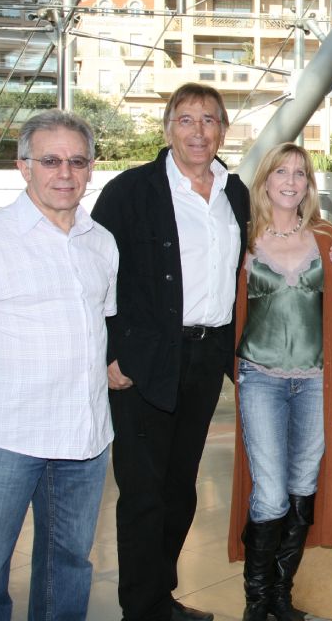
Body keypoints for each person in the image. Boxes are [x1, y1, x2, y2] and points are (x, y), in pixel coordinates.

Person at [0, 111, 118, 620]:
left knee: (68, 569)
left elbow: (98, 328)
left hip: (84, 440)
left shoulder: (100, 242)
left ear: (90, 168)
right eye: (50, 160)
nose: (65, 173)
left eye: (76, 161)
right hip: (5, 439)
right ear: (23, 166)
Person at [92, 83, 249, 621]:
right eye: (186, 120)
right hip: (145, 360)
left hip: (206, 359)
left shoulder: (236, 192)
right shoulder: (129, 191)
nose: (198, 132)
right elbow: (96, 276)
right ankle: (142, 609)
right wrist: (111, 353)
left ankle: (161, 599)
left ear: (223, 130)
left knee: (181, 489)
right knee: (143, 493)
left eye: (209, 120)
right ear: (167, 129)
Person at [225, 143, 332, 621]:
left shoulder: (326, 238)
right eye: (281, 171)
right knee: (270, 492)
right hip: (260, 379)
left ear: (308, 184)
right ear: (264, 180)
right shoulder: (241, 238)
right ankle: (256, 602)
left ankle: (280, 595)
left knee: (304, 483)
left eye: (300, 173)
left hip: (315, 382)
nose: (290, 180)